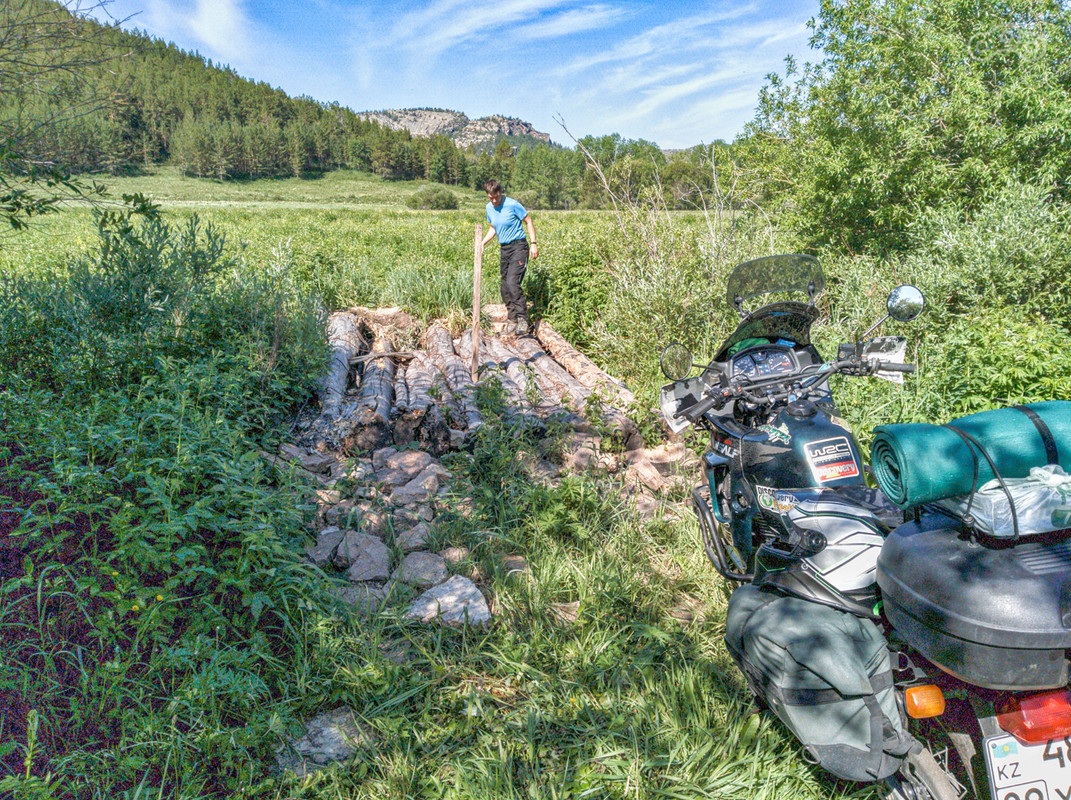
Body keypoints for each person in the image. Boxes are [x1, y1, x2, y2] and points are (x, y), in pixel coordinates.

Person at [480, 179, 539, 335]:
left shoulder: (512, 204)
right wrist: (482, 243)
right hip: (505, 249)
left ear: (500, 192)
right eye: (490, 197)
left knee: (513, 282)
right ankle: (512, 320)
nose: (494, 200)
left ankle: (523, 320)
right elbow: (493, 227)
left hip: (519, 246)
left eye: (496, 197)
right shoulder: (489, 208)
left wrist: (533, 243)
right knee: (505, 286)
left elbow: (528, 220)